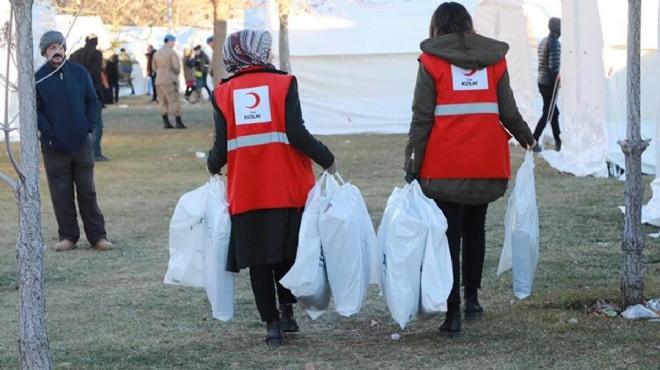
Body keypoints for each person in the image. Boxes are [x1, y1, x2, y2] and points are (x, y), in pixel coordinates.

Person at [403, 2, 535, 337]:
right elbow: (508, 110)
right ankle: (472, 299)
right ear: (468, 24)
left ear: (436, 26)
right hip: (487, 161)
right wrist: (525, 137)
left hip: (445, 164)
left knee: (449, 236)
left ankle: (453, 314)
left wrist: (412, 163)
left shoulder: (431, 62)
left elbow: (422, 116)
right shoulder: (494, 60)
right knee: (476, 229)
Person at [207, 29, 337, 347]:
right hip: (288, 187)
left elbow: (221, 148)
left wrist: (211, 165)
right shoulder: (284, 84)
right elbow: (297, 133)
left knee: (259, 260)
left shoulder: (222, 93)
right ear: (261, 53)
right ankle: (288, 311)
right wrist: (328, 159)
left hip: (247, 192)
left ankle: (273, 326)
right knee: (286, 254)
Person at [35, 30, 114, 252]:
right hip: (54, 147)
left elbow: (92, 100)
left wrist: (87, 126)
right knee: (61, 194)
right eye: (51, 48)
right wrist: (50, 133)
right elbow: (35, 111)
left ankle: (98, 236)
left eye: (59, 47)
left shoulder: (79, 73)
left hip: (81, 144)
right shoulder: (39, 78)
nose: (56, 51)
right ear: (45, 52)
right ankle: (68, 236)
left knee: (88, 191)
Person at [69, 34, 110, 162]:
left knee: (78, 121)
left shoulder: (75, 54)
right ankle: (95, 152)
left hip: (76, 92)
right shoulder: (97, 54)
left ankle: (78, 151)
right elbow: (95, 72)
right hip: (92, 92)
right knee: (97, 123)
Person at [533, 17, 561, 152]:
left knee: (553, 112)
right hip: (550, 83)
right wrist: (558, 78)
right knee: (548, 113)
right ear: (557, 28)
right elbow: (553, 67)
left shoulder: (544, 41)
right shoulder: (554, 42)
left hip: (541, 81)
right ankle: (533, 140)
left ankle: (558, 142)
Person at [152, 34, 186, 129]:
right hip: (169, 79)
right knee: (174, 100)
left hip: (159, 80)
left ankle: (166, 122)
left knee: (162, 101)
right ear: (170, 41)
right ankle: (178, 121)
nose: (174, 43)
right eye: (173, 41)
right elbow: (176, 67)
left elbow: (154, 67)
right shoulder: (172, 53)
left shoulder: (157, 53)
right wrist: (176, 73)